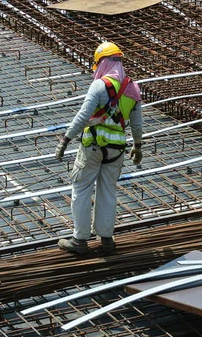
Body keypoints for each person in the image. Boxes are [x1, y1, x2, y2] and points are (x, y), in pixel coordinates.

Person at [54, 42, 143, 255]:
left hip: (92, 147)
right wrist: (138, 146)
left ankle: (80, 240)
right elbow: (137, 124)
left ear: (101, 63)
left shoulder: (99, 86)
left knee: (82, 189)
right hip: (116, 150)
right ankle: (106, 239)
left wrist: (65, 140)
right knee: (107, 191)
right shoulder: (132, 88)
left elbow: (83, 116)